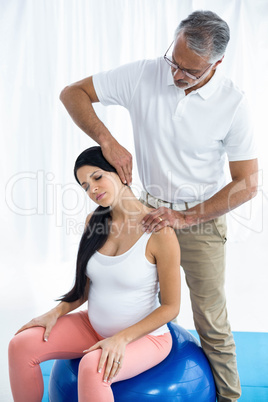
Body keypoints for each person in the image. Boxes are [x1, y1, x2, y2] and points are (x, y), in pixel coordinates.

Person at [59, 10, 258, 402]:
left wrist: (184, 217)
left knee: (211, 322)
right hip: (145, 210)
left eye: (190, 71)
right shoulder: (145, 74)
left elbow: (248, 184)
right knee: (131, 298)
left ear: (216, 64)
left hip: (201, 217)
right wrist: (108, 140)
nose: (176, 75)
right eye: (175, 61)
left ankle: (229, 399)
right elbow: (72, 93)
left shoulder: (233, 104)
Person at [8, 146, 181, 402]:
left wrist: (120, 339)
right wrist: (54, 313)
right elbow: (85, 289)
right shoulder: (94, 222)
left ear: (121, 173)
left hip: (144, 338)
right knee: (20, 345)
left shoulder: (159, 232)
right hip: (92, 326)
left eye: (97, 177)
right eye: (85, 186)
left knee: (93, 367)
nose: (93, 190)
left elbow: (171, 307)